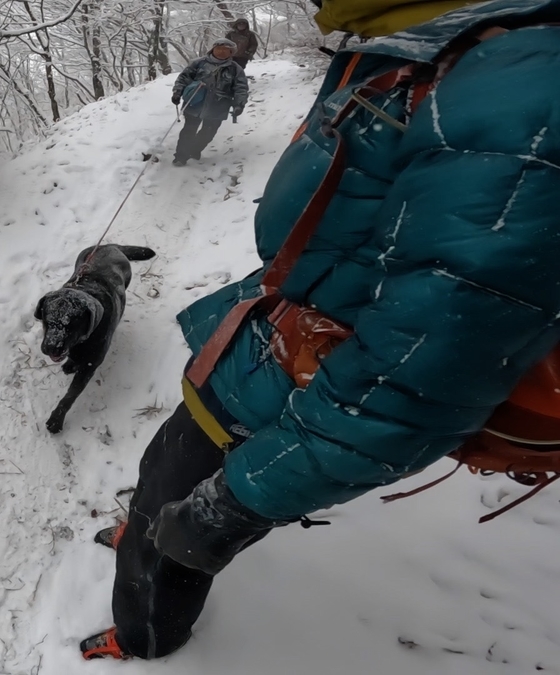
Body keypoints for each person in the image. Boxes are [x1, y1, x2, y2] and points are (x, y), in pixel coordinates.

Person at [80, 0, 560, 661]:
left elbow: (417, 375)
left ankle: (145, 635)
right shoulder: (416, 40)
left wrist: (234, 506)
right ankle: (144, 528)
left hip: (302, 384)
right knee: (163, 471)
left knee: (179, 536)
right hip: (266, 341)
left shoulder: (521, 89)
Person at [170, 39, 248, 167]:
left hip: (219, 106)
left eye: (225, 50)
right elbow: (183, 78)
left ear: (231, 52)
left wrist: (239, 104)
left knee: (208, 132)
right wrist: (177, 93)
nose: (221, 52)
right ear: (213, 50)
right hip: (194, 103)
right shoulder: (198, 63)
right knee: (188, 130)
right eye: (219, 49)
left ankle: (195, 149)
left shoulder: (235, 69)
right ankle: (181, 156)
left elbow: (241, 88)